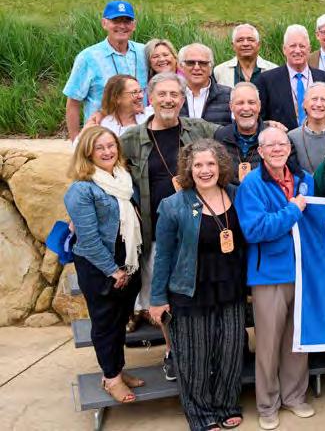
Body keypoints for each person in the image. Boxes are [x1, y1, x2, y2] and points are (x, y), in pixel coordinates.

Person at [119, 72, 220, 381]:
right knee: (162, 295)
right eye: (162, 94)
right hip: (155, 231)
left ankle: (206, 350)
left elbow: (237, 133)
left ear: (183, 99)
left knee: (199, 290)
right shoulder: (131, 139)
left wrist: (271, 126)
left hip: (198, 227)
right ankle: (174, 351)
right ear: (150, 98)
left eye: (175, 94)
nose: (168, 100)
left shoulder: (199, 129)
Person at [148, 139, 247, 431]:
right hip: (190, 288)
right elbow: (163, 255)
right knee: (195, 356)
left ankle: (226, 404)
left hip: (230, 285)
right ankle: (201, 414)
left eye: (211, 164)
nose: (205, 170)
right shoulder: (173, 205)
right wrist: (157, 298)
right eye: (199, 165)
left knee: (230, 350)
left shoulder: (237, 194)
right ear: (189, 169)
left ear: (221, 166)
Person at [235, 126, 316, 430]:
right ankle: (267, 405)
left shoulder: (305, 179)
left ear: (289, 148)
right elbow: (255, 229)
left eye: (282, 144)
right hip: (269, 274)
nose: (277, 149)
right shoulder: (251, 185)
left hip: (302, 271)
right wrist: (293, 210)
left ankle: (294, 397)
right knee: (268, 344)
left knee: (297, 341)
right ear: (260, 151)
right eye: (270, 146)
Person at [64, 126, 144, 404]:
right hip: (100, 266)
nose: (108, 151)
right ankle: (111, 378)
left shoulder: (123, 178)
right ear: (87, 153)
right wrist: (112, 270)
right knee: (105, 323)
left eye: (111, 145)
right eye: (100, 148)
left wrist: (127, 267)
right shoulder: (82, 189)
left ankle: (116, 370)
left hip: (128, 259)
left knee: (120, 320)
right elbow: (88, 240)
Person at [64, 0, 148, 139]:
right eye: (116, 21)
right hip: (102, 140)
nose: (122, 26)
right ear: (104, 23)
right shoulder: (88, 57)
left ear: (134, 25)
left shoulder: (144, 52)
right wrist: (75, 141)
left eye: (127, 21)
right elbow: (73, 102)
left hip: (141, 136)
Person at [254, 24, 325, 130]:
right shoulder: (265, 81)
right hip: (282, 138)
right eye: (293, 46)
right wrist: (268, 124)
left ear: (309, 49)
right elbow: (258, 119)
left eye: (302, 46)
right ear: (284, 49)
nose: (298, 50)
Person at [214, 82, 286, 177]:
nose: (246, 108)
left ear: (259, 106)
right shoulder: (220, 136)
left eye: (251, 102)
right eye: (240, 103)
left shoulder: (277, 138)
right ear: (231, 107)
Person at [287, 83, 325, 172]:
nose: (318, 104)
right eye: (314, 99)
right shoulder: (292, 137)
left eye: (323, 100)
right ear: (304, 104)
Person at [178, 43, 233, 126]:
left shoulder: (229, 95)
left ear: (211, 68)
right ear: (181, 67)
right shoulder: (172, 96)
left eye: (203, 63)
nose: (196, 68)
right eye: (190, 63)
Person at [214, 24, 278, 87]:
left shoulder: (273, 70)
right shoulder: (219, 71)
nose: (245, 44)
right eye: (240, 40)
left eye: (250, 40)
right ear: (233, 46)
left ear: (258, 45)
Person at [95, 74, 152, 141]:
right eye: (134, 92)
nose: (141, 96)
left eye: (140, 91)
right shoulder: (106, 126)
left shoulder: (152, 115)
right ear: (117, 98)